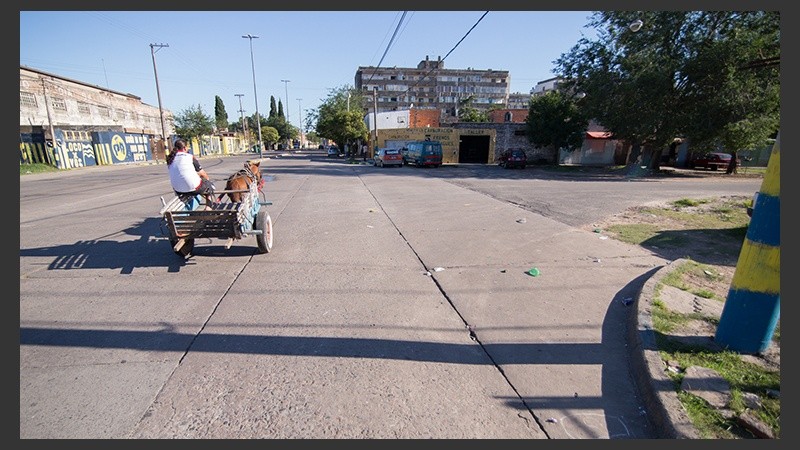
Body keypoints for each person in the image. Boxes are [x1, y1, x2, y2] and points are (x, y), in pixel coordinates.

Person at [166, 139, 215, 208]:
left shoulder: (170, 158)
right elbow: (203, 174)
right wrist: (208, 182)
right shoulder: (189, 157)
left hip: (178, 190)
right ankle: (208, 206)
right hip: (193, 188)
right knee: (208, 184)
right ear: (185, 148)